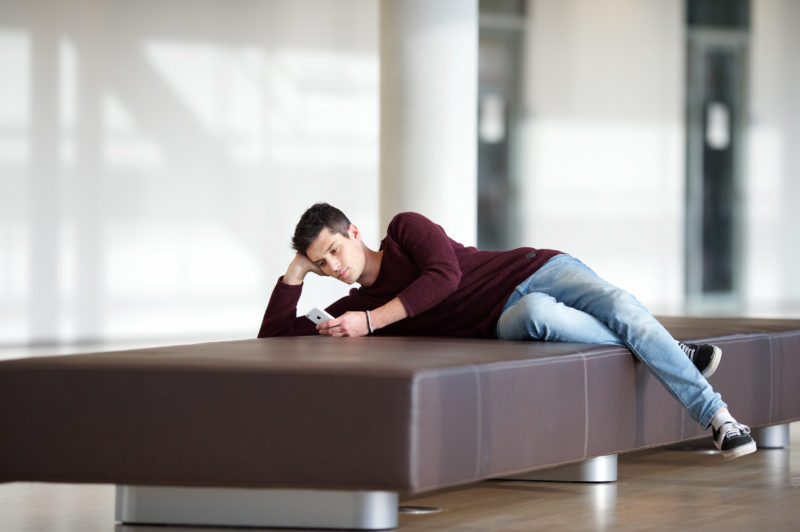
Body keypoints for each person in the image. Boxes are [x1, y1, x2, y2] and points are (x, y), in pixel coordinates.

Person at [258, 203, 756, 460]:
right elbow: (275, 336)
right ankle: (668, 351)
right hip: (508, 319)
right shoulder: (356, 303)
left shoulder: (405, 230)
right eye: (321, 262)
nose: (332, 266)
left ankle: (717, 417)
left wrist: (371, 322)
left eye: (334, 251)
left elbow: (444, 278)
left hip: (534, 270)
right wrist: (294, 273)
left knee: (621, 307)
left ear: (355, 234)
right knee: (543, 318)